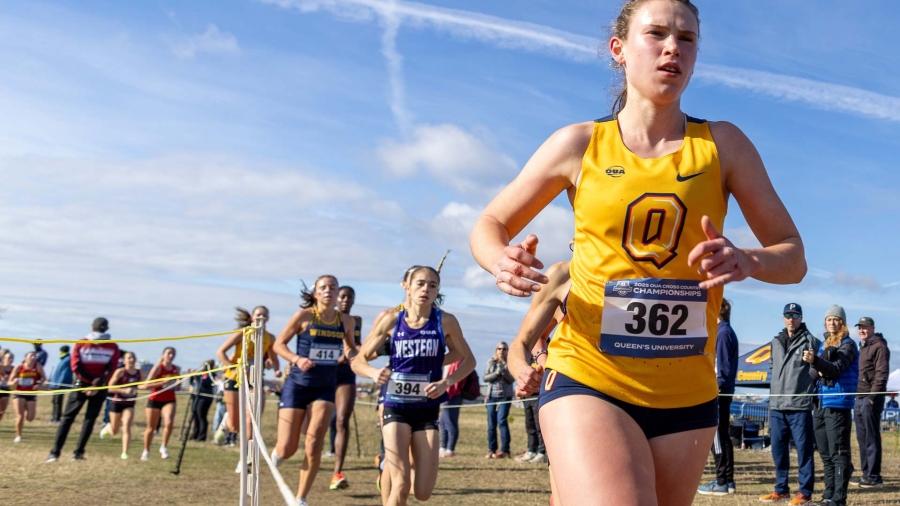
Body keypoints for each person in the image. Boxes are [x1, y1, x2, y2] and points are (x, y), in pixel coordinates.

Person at [469, 1, 808, 503]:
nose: (673, 47)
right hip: (588, 373)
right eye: (657, 34)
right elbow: (490, 223)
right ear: (619, 50)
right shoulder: (579, 143)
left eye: (687, 38)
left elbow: (793, 256)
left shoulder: (724, 146)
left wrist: (748, 260)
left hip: (687, 393)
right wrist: (500, 259)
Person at [352, 266, 476, 506]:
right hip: (394, 405)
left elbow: (468, 360)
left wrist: (445, 382)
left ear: (438, 290)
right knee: (401, 485)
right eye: (420, 283)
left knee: (422, 492)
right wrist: (374, 372)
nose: (425, 289)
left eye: (432, 285)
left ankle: (387, 463)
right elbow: (358, 361)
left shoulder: (446, 321)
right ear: (407, 286)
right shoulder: (391, 319)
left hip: (427, 408)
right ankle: (390, 465)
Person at [270, 275, 358, 506]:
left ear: (338, 293)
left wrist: (356, 357)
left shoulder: (346, 321)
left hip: (325, 386)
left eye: (332, 287)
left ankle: (300, 498)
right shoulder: (304, 316)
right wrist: (297, 359)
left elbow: (349, 349)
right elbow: (278, 345)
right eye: (323, 287)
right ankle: (278, 453)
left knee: (314, 443)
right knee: (288, 448)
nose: (328, 290)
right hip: (297, 385)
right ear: (315, 294)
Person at [759, 304, 819, 504]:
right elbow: (772, 367)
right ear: (783, 317)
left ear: (801, 318)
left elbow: (816, 371)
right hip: (777, 405)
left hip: (799, 405)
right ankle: (781, 489)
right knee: (777, 448)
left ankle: (805, 493)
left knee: (804, 450)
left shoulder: (811, 341)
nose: (791, 319)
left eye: (795, 315)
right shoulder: (775, 341)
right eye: (787, 315)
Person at [802, 305, 857, 506]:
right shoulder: (823, 345)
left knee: (838, 453)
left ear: (842, 322)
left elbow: (835, 369)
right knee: (825, 454)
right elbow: (812, 373)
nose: (832, 323)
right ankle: (828, 496)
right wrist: (818, 364)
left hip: (838, 403)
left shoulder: (849, 345)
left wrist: (817, 362)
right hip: (820, 402)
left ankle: (839, 499)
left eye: (835, 319)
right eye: (828, 320)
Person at [214, 306, 281, 469]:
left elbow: (274, 360)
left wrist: (275, 368)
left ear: (268, 319)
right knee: (235, 426)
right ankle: (226, 423)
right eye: (258, 315)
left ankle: (245, 458)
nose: (261, 318)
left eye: (265, 315)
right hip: (234, 378)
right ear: (252, 317)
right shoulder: (242, 333)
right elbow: (220, 352)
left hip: (255, 380)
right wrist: (231, 366)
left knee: (252, 420)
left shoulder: (270, 338)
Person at [46, 317, 120, 462]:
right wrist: (96, 383)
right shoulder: (112, 346)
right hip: (96, 385)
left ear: (92, 327)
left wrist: (91, 383)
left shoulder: (83, 343)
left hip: (86, 384)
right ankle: (75, 453)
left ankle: (56, 453)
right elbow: (111, 368)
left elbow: (76, 366)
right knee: (87, 420)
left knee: (69, 418)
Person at [697, 299, 739, 496]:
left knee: (717, 437)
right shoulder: (728, 331)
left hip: (718, 390)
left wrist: (717, 387)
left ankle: (722, 480)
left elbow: (723, 365)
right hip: (724, 389)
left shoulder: (722, 333)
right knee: (723, 435)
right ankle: (728, 481)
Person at [327, 285, 362, 490]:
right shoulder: (326, 318)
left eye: (350, 297)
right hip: (323, 371)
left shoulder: (356, 321)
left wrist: (351, 354)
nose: (346, 300)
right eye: (343, 296)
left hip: (345, 372)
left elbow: (356, 345)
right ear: (336, 298)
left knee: (342, 420)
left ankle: (337, 472)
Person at [852, 316, 890, 488]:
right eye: (860, 327)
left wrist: (872, 397)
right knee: (861, 438)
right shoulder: (863, 346)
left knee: (871, 437)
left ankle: (874, 477)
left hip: (870, 398)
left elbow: (881, 374)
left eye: (865, 327)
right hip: (859, 397)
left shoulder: (879, 346)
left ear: (873, 328)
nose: (862, 330)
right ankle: (865, 474)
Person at [140, 347, 181, 461]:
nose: (171, 356)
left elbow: (178, 385)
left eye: (173, 354)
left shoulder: (176, 369)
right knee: (151, 428)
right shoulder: (158, 368)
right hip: (155, 399)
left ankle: (163, 447)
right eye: (168, 353)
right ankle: (146, 450)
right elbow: (146, 385)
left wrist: (178, 384)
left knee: (169, 422)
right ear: (163, 355)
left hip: (169, 399)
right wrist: (162, 382)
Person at [100, 351, 143, 459]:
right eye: (129, 358)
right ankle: (108, 428)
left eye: (133, 357)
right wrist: (124, 390)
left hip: (130, 404)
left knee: (126, 425)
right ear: (124, 361)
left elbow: (142, 385)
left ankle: (125, 452)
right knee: (115, 431)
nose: (131, 360)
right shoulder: (120, 372)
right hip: (117, 402)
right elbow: (109, 388)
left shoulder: (139, 373)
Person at [484, 342, 514, 459]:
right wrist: (496, 373)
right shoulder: (491, 362)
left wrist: (504, 372)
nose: (501, 351)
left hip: (505, 396)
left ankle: (505, 450)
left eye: (504, 349)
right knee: (491, 424)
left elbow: (512, 379)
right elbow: (485, 378)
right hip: (491, 396)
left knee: (502, 421)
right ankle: (492, 450)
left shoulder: (510, 363)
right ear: (496, 350)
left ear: (507, 351)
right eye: (499, 348)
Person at [9, 351, 46, 442]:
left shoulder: (38, 367)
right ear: (25, 358)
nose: (33, 358)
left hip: (31, 393)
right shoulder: (18, 367)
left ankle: (26, 409)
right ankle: (18, 435)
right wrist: (14, 382)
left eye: (34, 356)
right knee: (20, 417)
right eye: (31, 356)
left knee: (30, 418)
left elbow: (44, 380)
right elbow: (9, 382)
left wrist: (40, 384)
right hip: (19, 393)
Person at [439, 359, 464, 458]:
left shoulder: (458, 362)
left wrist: (448, 395)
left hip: (452, 395)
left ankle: (450, 449)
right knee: (443, 422)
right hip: (446, 394)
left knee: (451, 422)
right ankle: (442, 447)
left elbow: (456, 383)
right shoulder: (448, 362)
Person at [189, 360, 216, 442]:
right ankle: (195, 433)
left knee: (201, 416)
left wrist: (196, 376)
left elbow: (205, 382)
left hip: (205, 398)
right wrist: (192, 376)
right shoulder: (201, 373)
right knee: (195, 415)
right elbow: (193, 383)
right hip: (196, 396)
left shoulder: (211, 374)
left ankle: (202, 436)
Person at [48, 345, 73, 423]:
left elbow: (65, 373)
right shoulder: (63, 359)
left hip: (60, 384)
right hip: (57, 384)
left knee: (58, 401)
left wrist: (59, 384)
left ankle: (57, 418)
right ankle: (54, 417)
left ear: (62, 351)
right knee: (55, 401)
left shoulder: (67, 360)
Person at [0, 351, 14, 424]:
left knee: (2, 412)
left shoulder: (14, 368)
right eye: (8, 358)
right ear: (3, 359)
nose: (10, 359)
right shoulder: (0, 367)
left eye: (11, 358)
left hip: (6, 390)